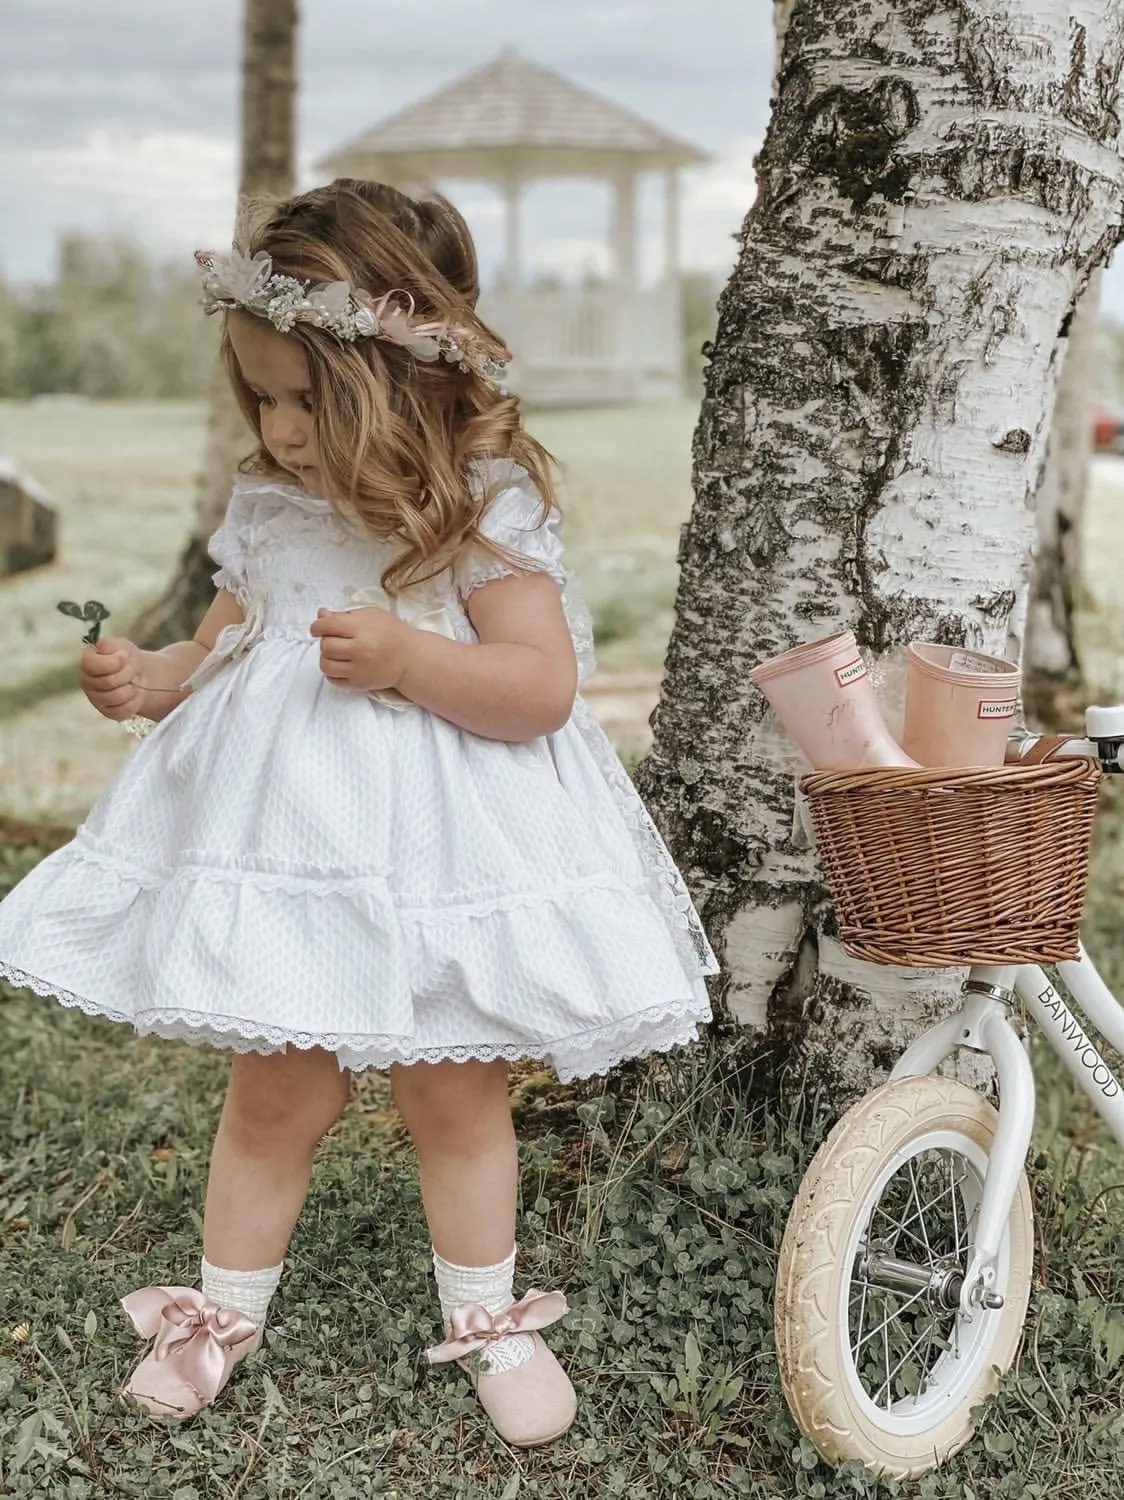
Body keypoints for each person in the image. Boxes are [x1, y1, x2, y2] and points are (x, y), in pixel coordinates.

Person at [0, 180, 718, 1444]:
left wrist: (408, 659)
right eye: (260, 398)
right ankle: (222, 1308)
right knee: (275, 1092)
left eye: (303, 401)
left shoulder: (481, 510)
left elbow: (539, 691)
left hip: (448, 857)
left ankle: (488, 1317)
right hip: (291, 859)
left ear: (400, 378)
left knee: (453, 1097)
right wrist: (152, 679)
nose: (277, 431)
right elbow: (230, 641)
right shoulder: (274, 510)